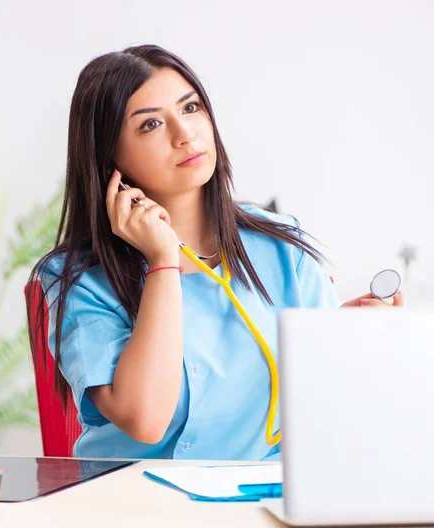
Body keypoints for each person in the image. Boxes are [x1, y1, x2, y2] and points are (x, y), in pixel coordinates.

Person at [27, 44, 403, 461]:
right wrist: (163, 261)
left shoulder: (282, 245)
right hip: (135, 504)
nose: (184, 133)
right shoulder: (77, 279)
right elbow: (146, 419)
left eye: (190, 108)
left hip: (264, 499)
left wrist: (351, 339)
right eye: (151, 124)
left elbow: (328, 402)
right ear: (108, 155)